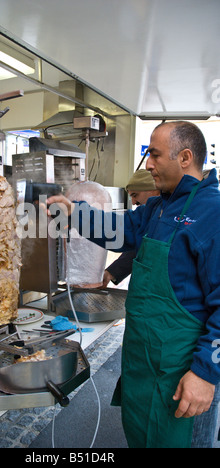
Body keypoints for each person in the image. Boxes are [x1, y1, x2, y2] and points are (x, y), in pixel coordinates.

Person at [46, 121, 220, 448]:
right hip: (143, 362)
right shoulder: (158, 207)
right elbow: (119, 231)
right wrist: (74, 213)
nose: (148, 165)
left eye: (154, 155)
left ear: (185, 157)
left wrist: (205, 374)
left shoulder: (213, 213)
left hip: (182, 370)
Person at [103, 169, 159, 287]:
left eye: (135, 195)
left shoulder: (169, 217)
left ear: (155, 190)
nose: (133, 202)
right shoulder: (150, 216)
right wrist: (110, 273)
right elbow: (138, 248)